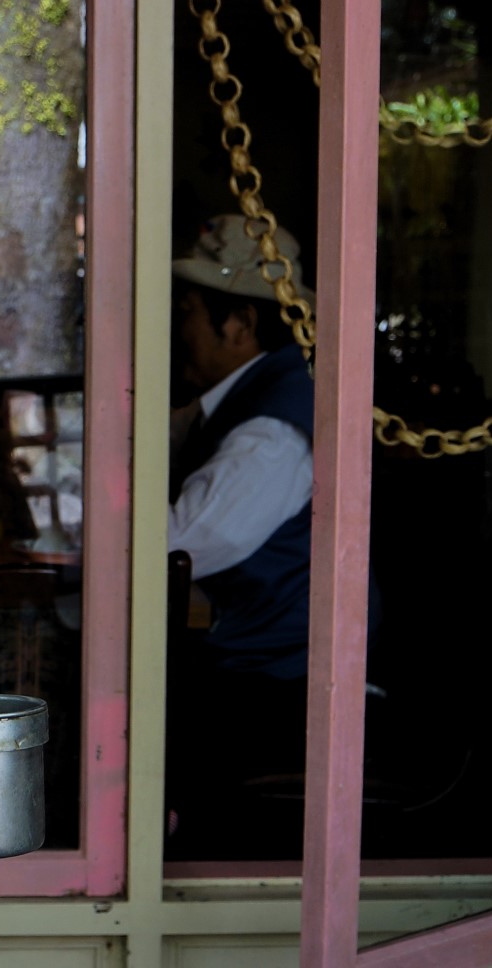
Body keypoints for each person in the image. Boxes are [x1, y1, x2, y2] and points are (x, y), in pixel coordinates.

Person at [164, 213, 379, 857]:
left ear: (240, 323)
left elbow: (181, 543)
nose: (181, 330)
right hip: (264, 663)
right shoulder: (252, 399)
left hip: (289, 687)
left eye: (190, 312)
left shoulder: (272, 430)